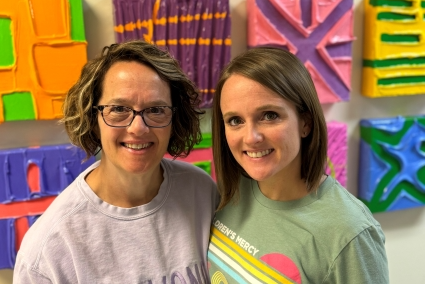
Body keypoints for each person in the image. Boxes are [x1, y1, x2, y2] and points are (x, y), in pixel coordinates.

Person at [13, 41, 218, 283]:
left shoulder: (201, 192)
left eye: (156, 110)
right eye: (119, 108)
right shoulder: (49, 250)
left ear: (174, 119)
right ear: (93, 118)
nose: (138, 128)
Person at [208, 47, 389, 283]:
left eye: (269, 115)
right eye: (235, 120)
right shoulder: (229, 192)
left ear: (305, 122)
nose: (251, 137)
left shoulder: (350, 233)